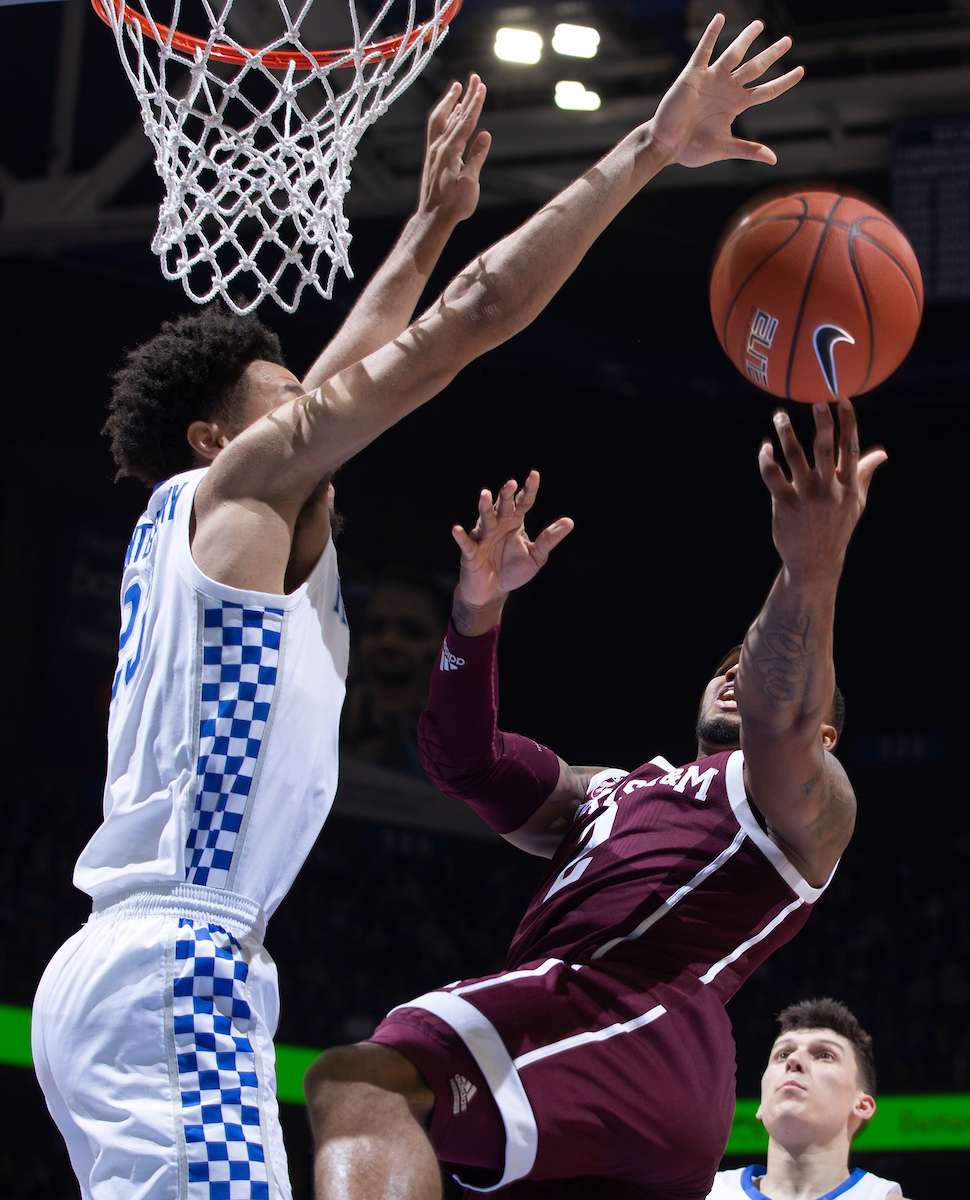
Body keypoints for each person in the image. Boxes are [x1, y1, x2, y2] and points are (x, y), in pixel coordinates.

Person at [32, 13, 804, 1199]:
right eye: (292, 396)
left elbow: (359, 358)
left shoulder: (195, 526)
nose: (326, 407)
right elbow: (469, 326)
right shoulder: (243, 486)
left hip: (115, 965)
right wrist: (644, 149)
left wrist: (433, 221)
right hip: (177, 957)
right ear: (221, 432)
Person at [303, 398, 885, 1200]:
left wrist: (808, 569)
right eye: (726, 661)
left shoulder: (798, 800)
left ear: (821, 736)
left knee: (362, 1083)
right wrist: (478, 613)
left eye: (750, 661)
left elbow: (783, 709)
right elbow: (462, 763)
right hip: (639, 1082)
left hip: (630, 1018)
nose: (733, 673)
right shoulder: (615, 788)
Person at [709, 998, 907, 1200]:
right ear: (761, 1105)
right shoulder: (703, 1193)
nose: (794, 1060)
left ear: (862, 1105)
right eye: (783, 1054)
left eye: (825, 1055)